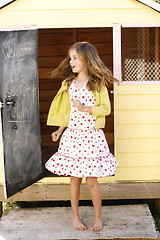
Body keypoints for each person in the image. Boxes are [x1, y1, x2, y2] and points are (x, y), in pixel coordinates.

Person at [45, 41, 119, 231]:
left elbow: (106, 109)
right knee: (75, 178)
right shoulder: (69, 83)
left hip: (91, 137)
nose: (71, 61)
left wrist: (85, 108)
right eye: (70, 58)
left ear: (86, 60)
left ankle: (98, 216)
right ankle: (75, 217)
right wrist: (59, 130)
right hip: (73, 137)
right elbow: (68, 112)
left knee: (91, 179)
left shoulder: (97, 83)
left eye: (75, 58)